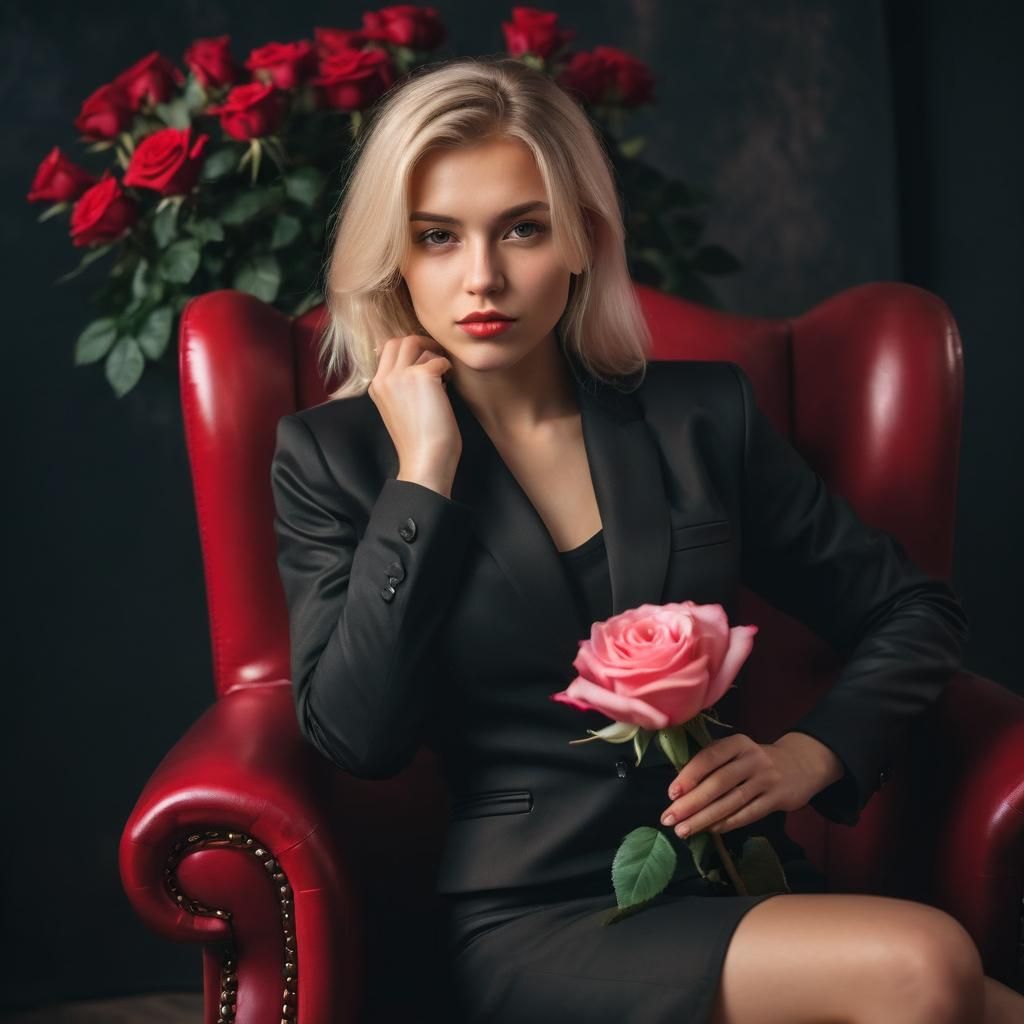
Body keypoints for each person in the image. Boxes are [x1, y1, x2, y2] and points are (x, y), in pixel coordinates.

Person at [270, 55, 1022, 1023]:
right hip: (536, 913)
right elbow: (357, 736)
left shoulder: (699, 418)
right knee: (925, 963)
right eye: (438, 237)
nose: (482, 276)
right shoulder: (335, 457)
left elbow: (913, 608)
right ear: (396, 256)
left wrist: (814, 751)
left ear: (583, 240)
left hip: (740, 881)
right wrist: (424, 472)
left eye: (523, 229)